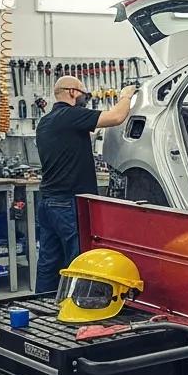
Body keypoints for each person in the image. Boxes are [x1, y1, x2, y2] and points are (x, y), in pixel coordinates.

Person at [35, 75, 136, 293]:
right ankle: (77, 304)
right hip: (69, 203)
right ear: (72, 92)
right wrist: (126, 96)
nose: (85, 97)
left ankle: (41, 305)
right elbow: (116, 117)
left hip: (48, 203)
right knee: (78, 260)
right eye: (83, 93)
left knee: (48, 263)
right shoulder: (70, 115)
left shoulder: (46, 121)